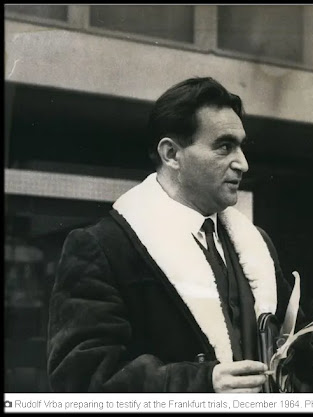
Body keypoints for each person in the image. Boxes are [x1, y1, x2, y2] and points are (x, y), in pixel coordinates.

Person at [47, 77, 296, 392]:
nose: (243, 163)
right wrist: (201, 383)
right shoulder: (103, 247)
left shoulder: (257, 244)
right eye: (224, 147)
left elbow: (299, 345)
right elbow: (79, 378)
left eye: (241, 146)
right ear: (171, 154)